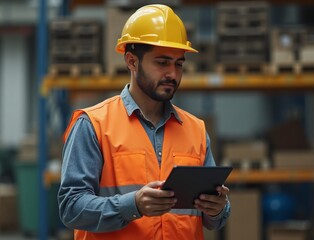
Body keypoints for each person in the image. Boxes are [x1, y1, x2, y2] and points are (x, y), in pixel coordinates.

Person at [58, 4, 230, 240]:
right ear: (131, 61)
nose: (172, 73)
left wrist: (218, 208)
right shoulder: (94, 125)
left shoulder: (196, 130)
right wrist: (133, 205)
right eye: (162, 62)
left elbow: (214, 219)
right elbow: (71, 207)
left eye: (179, 64)